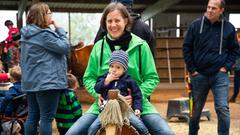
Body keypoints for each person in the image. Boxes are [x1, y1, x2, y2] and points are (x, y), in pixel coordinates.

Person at [66, 2, 174, 135]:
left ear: (126, 21)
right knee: (72, 133)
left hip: (137, 105)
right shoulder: (98, 47)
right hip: (103, 105)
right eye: (109, 21)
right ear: (104, 23)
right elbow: (89, 77)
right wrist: (98, 94)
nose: (113, 25)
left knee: (166, 133)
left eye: (117, 20)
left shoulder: (141, 46)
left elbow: (152, 77)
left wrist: (135, 96)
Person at [183, 0, 239, 134]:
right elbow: (187, 47)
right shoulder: (196, 25)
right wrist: (192, 70)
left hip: (219, 75)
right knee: (195, 111)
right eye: (208, 7)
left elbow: (235, 50)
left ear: (221, 10)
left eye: (214, 8)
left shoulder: (229, 28)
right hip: (199, 75)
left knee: (222, 108)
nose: (210, 10)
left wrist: (226, 67)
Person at [20, 2, 70, 135]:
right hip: (47, 82)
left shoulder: (27, 35)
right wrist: (59, 28)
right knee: (46, 118)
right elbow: (65, 47)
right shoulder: (44, 35)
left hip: (31, 82)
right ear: (42, 16)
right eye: (49, 13)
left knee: (32, 116)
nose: (51, 15)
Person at [88, 50, 149, 135]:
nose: (114, 70)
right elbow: (97, 89)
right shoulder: (104, 78)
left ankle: (146, 133)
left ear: (124, 69)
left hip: (124, 110)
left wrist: (137, 108)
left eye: (118, 67)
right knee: (93, 127)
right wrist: (106, 81)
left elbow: (137, 94)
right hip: (107, 110)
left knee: (139, 124)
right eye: (111, 66)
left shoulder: (129, 80)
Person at [230, 32, 240, 103]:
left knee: (237, 81)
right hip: (237, 65)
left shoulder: (237, 44)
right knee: (237, 81)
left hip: (238, 65)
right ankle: (234, 96)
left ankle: (234, 97)